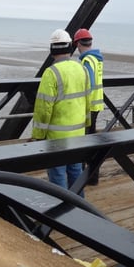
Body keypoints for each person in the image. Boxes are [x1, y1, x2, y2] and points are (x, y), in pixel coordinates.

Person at [32, 29, 91, 195]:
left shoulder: (51, 73)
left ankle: (61, 215)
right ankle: (81, 210)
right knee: (76, 173)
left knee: (58, 177)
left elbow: (43, 109)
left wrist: (39, 135)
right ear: (70, 47)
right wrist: (86, 125)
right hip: (78, 135)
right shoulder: (82, 69)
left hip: (56, 138)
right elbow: (87, 100)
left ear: (52, 49)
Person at [74, 28, 104, 185]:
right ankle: (92, 177)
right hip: (96, 105)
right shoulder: (96, 58)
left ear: (79, 43)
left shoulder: (87, 60)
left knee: (85, 143)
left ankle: (86, 177)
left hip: (88, 106)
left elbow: (90, 84)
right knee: (91, 140)